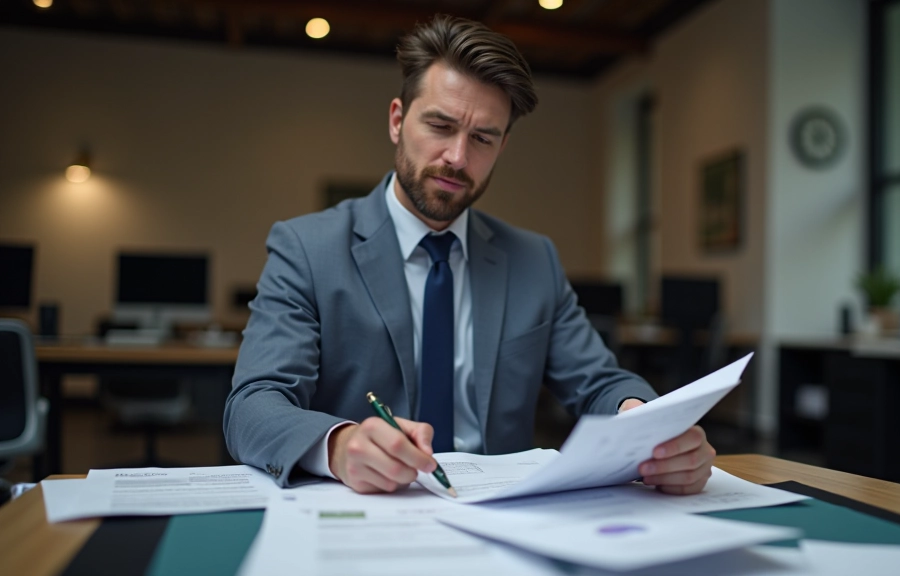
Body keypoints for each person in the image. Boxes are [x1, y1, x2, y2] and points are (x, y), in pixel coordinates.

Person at [224, 15, 715, 494]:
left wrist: (651, 429)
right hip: (368, 511)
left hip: (502, 516)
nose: (458, 157)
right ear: (398, 120)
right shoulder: (307, 248)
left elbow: (600, 382)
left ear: (502, 147)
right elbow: (253, 405)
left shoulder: (533, 259)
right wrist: (338, 445)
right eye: (440, 125)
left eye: (482, 138)